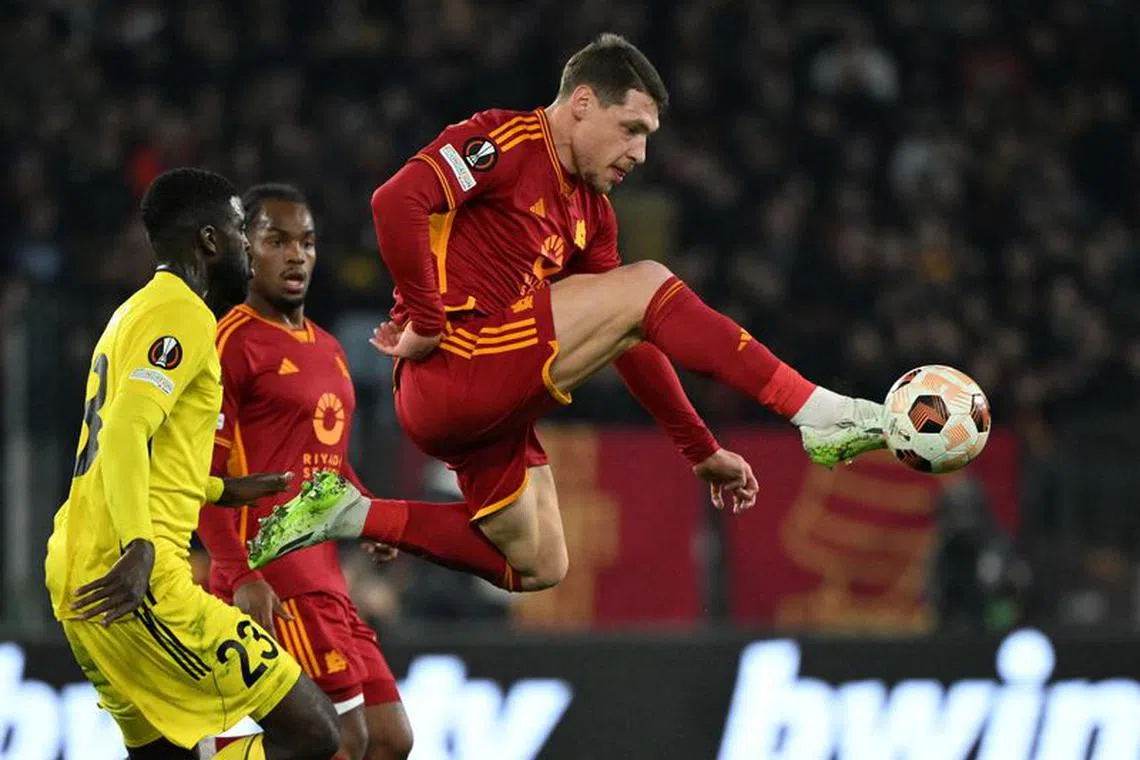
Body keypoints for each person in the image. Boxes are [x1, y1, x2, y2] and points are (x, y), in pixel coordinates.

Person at [247, 34, 886, 593]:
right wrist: (428, 316)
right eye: (631, 129)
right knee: (648, 284)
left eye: (648, 138)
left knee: (539, 563)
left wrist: (699, 449)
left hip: (489, 408)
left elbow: (629, 338)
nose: (639, 153)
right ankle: (816, 410)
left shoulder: (592, 214)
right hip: (454, 366)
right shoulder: (505, 140)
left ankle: (351, 515)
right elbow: (394, 202)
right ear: (582, 102)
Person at [44, 168, 341, 760]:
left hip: (77, 573)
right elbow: (127, 429)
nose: (248, 250)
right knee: (317, 734)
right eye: (239, 230)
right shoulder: (185, 314)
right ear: (209, 240)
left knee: (163, 755)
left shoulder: (132, 313)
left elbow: (138, 445)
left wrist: (214, 489)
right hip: (135, 579)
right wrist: (139, 546)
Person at [197, 183, 413, 760]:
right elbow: (203, 478)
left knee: (392, 739)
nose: (296, 255)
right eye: (278, 240)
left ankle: (216, 750)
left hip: (327, 578)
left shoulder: (328, 348)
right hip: (274, 574)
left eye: (308, 242)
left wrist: (369, 516)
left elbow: (327, 463)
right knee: (340, 743)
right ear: (245, 249)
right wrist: (240, 575)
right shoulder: (230, 344)